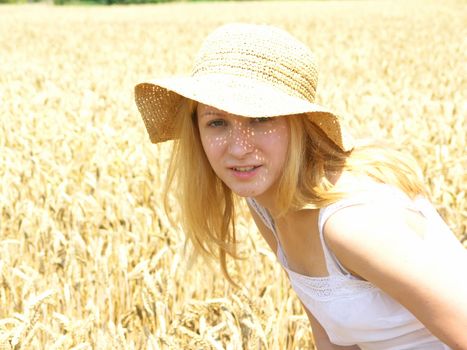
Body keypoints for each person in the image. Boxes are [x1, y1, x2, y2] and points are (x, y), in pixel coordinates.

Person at [134, 23, 467, 349]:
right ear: (197, 132)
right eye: (217, 122)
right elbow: (331, 337)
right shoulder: (265, 203)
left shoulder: (350, 224)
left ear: (299, 124)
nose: (238, 148)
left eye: (260, 119)